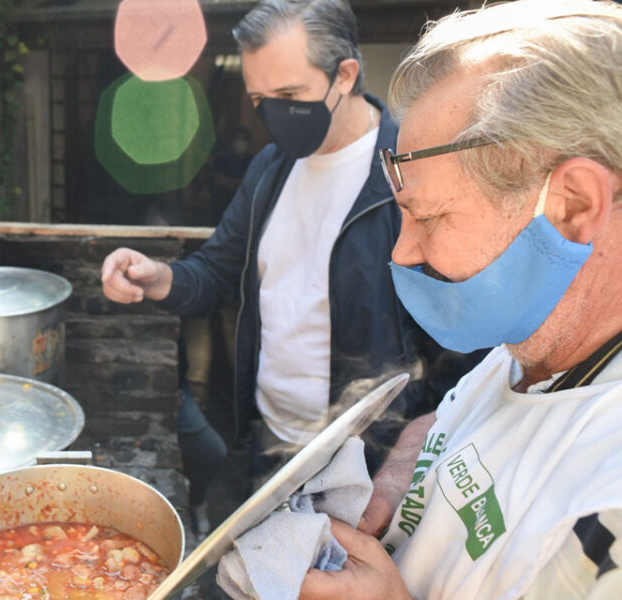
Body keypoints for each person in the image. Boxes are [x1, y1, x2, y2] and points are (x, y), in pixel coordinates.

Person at [298, 1, 622, 598]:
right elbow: (460, 417)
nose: (402, 254)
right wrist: (400, 476)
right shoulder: (538, 340)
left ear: (574, 205)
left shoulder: (611, 509)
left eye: (431, 216)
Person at [102, 0, 483, 496]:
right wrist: (157, 276)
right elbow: (219, 272)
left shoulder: (410, 177)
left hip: (369, 461)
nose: (273, 115)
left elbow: (460, 348)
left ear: (344, 75)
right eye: (260, 99)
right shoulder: (269, 168)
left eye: (289, 94)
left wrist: (408, 459)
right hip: (271, 442)